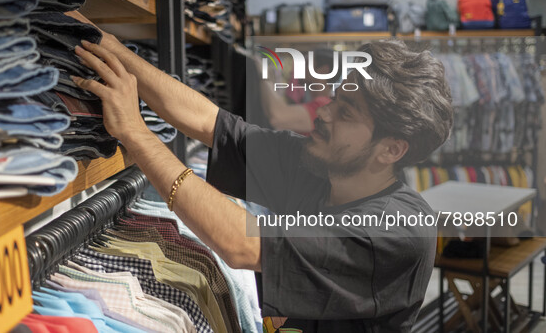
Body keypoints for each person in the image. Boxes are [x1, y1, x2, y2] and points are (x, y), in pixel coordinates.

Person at [69, 16, 453, 332]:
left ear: (391, 149)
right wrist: (104, 45)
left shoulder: (396, 231)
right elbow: (210, 122)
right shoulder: (320, 165)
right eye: (336, 98)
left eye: (346, 112)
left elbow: (242, 243)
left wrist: (136, 134)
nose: (323, 112)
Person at [259, 48, 334, 134]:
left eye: (306, 64)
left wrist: (263, 74)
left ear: (323, 70)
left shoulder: (323, 105)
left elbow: (277, 117)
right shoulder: (315, 102)